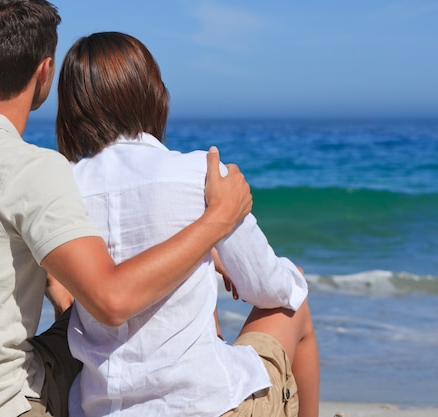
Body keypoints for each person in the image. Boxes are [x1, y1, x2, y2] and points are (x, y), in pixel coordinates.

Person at [0, 2, 253, 417]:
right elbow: (111, 300)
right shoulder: (30, 168)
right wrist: (214, 224)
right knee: (105, 331)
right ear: (45, 73)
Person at [55, 32, 320, 417]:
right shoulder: (201, 173)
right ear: (152, 93)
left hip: (101, 408)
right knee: (295, 298)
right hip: (206, 406)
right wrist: (282, 273)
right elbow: (270, 289)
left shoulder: (63, 186)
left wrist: (205, 255)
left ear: (73, 108)